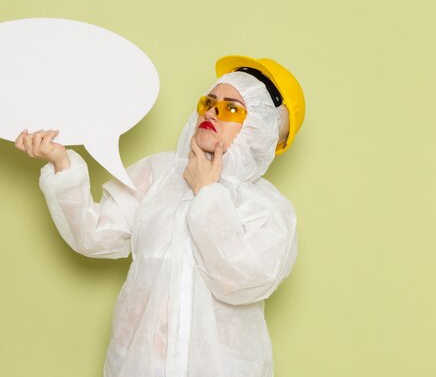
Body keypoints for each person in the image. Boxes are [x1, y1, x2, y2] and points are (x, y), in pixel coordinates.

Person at [15, 55, 305, 377]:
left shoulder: (269, 211)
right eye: (209, 102)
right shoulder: (157, 175)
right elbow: (93, 235)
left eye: (231, 108)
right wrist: (61, 163)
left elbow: (237, 280)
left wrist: (207, 193)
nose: (211, 111)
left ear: (261, 130)